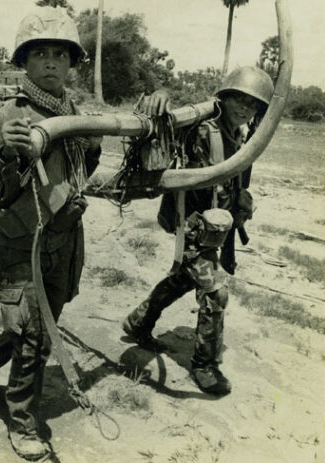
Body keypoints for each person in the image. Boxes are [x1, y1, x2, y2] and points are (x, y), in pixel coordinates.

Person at [0, 7, 101, 461]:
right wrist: (10, 155)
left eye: (60, 54)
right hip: (21, 240)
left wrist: (94, 147)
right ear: (24, 60)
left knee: (41, 326)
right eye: (40, 53)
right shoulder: (8, 116)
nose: (50, 62)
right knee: (35, 338)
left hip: (64, 237)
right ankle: (22, 421)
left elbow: (80, 170)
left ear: (71, 63)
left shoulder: (76, 113)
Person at [122, 66, 274, 396]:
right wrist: (161, 97)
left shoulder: (242, 139)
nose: (245, 108)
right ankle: (205, 365)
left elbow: (235, 181)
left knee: (182, 279)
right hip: (191, 224)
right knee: (215, 292)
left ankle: (137, 323)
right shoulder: (203, 130)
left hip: (215, 228)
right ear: (224, 98)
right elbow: (172, 127)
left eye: (253, 105)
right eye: (239, 99)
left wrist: (242, 201)